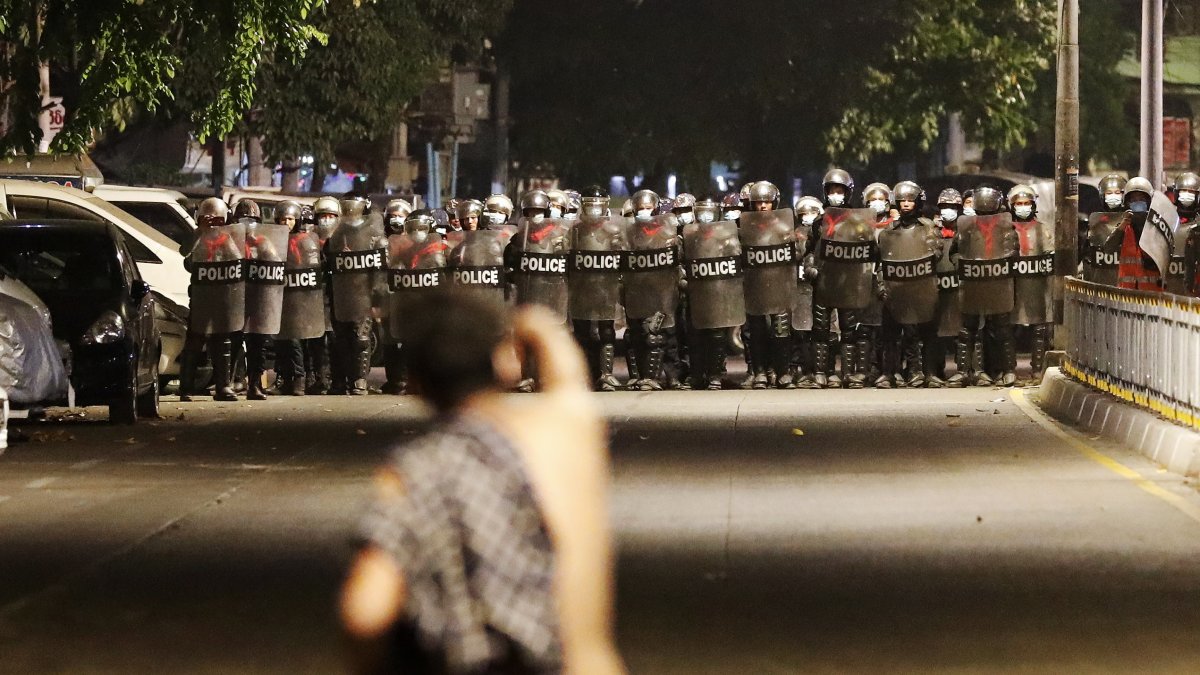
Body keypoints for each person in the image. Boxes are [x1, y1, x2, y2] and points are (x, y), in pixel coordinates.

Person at [340, 290, 623, 675]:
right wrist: (525, 323)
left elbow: (365, 612)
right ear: (505, 363)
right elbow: (569, 381)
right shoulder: (567, 441)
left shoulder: (416, 471)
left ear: (415, 383)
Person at [878, 181, 939, 388]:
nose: (905, 204)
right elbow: (882, 260)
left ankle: (916, 372)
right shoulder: (889, 231)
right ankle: (889, 373)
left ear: (917, 203)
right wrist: (881, 285)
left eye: (910, 200)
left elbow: (936, 255)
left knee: (914, 333)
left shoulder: (927, 227)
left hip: (919, 288)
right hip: (895, 289)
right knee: (890, 334)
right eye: (902, 200)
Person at [1008, 184, 1055, 385]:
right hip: (1013, 286)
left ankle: (1037, 369)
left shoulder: (1042, 229)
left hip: (1037, 285)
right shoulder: (1006, 230)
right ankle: (1009, 369)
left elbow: (1050, 255)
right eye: (1018, 204)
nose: (1023, 207)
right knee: (1008, 328)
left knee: (1039, 326)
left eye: (1027, 203)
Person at [928, 188, 964, 387]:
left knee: (963, 332)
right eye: (944, 207)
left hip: (959, 286)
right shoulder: (932, 230)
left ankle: (964, 370)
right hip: (937, 286)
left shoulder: (965, 230)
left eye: (952, 207)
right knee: (936, 331)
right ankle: (935, 370)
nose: (948, 211)